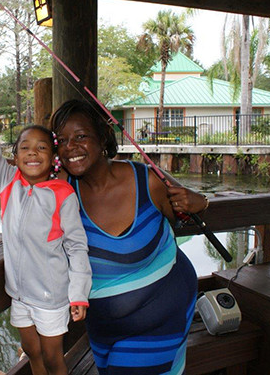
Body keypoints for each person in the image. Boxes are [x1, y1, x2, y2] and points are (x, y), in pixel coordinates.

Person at [0, 70, 92, 375]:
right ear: (15, 154)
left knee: (54, 358)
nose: (32, 153)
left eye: (41, 147)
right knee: (31, 352)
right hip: (19, 294)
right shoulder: (8, 182)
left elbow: (77, 247)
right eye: (25, 147)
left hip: (52, 297)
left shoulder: (62, 194)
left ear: (53, 156)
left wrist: (78, 292)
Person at [50, 99, 209, 375]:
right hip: (102, 329)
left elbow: (184, 209)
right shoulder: (62, 191)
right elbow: (2, 175)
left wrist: (202, 201)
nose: (70, 147)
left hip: (160, 317)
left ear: (102, 136)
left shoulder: (147, 181)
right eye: (61, 140)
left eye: (80, 136)